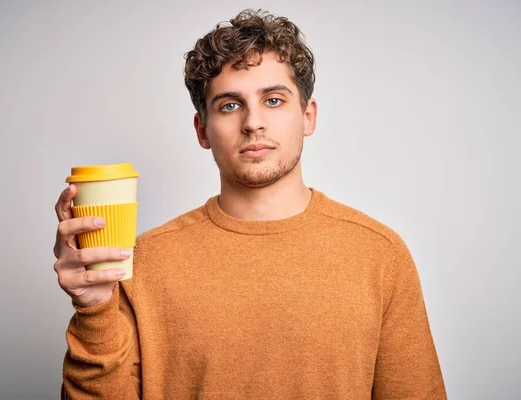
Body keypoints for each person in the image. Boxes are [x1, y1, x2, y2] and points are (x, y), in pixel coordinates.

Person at [53, 9, 447, 399]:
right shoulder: (144, 260)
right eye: (229, 105)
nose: (253, 122)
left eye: (274, 100)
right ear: (203, 129)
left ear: (308, 117)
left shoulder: (380, 254)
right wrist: (94, 309)